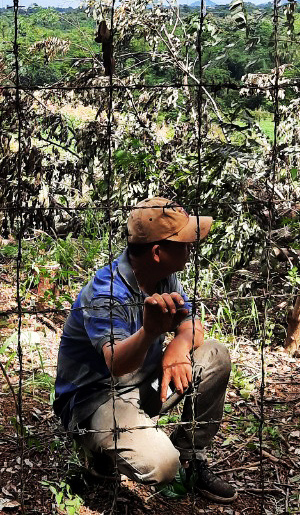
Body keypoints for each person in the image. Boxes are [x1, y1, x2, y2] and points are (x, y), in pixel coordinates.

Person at [53, 197, 236, 502]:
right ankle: (99, 453)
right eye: (184, 241)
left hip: (145, 387)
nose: (191, 247)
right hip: (97, 401)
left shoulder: (165, 276)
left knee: (214, 355)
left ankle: (191, 456)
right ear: (157, 252)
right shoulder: (105, 292)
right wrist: (150, 331)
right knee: (162, 464)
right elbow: (116, 363)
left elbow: (193, 325)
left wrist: (177, 347)